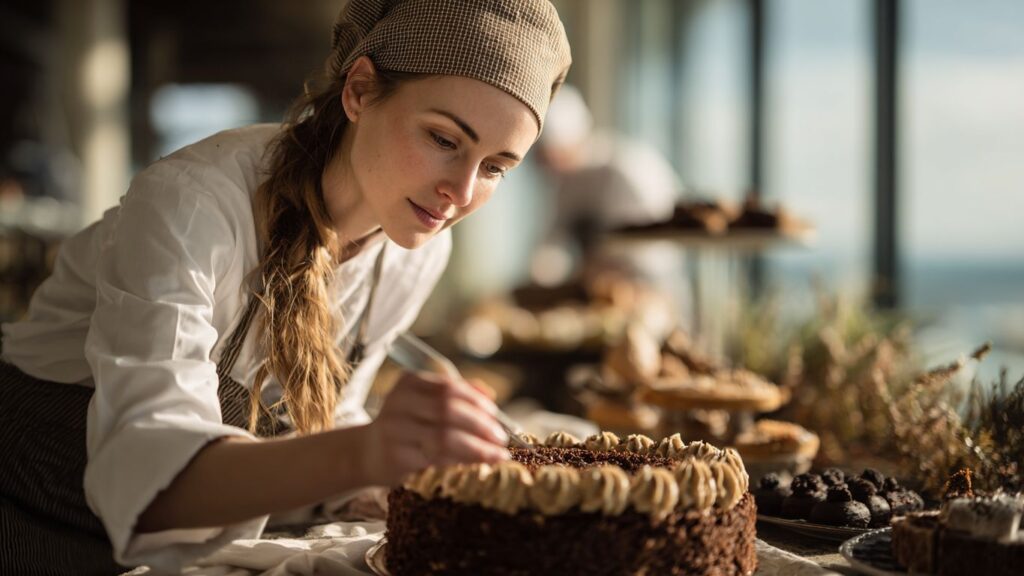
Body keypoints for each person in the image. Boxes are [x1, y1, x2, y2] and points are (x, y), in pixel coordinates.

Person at [0, 1, 571, 573]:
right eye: (444, 139)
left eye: (495, 166)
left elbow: (320, 423)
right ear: (360, 91)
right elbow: (149, 483)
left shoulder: (412, 254)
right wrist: (367, 452)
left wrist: (390, 477)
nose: (462, 192)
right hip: (32, 520)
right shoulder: (194, 206)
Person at [531, 84, 682, 286]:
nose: (546, 168)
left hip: (652, 286)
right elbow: (554, 242)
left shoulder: (628, 169)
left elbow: (653, 251)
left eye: (550, 157)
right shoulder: (567, 184)